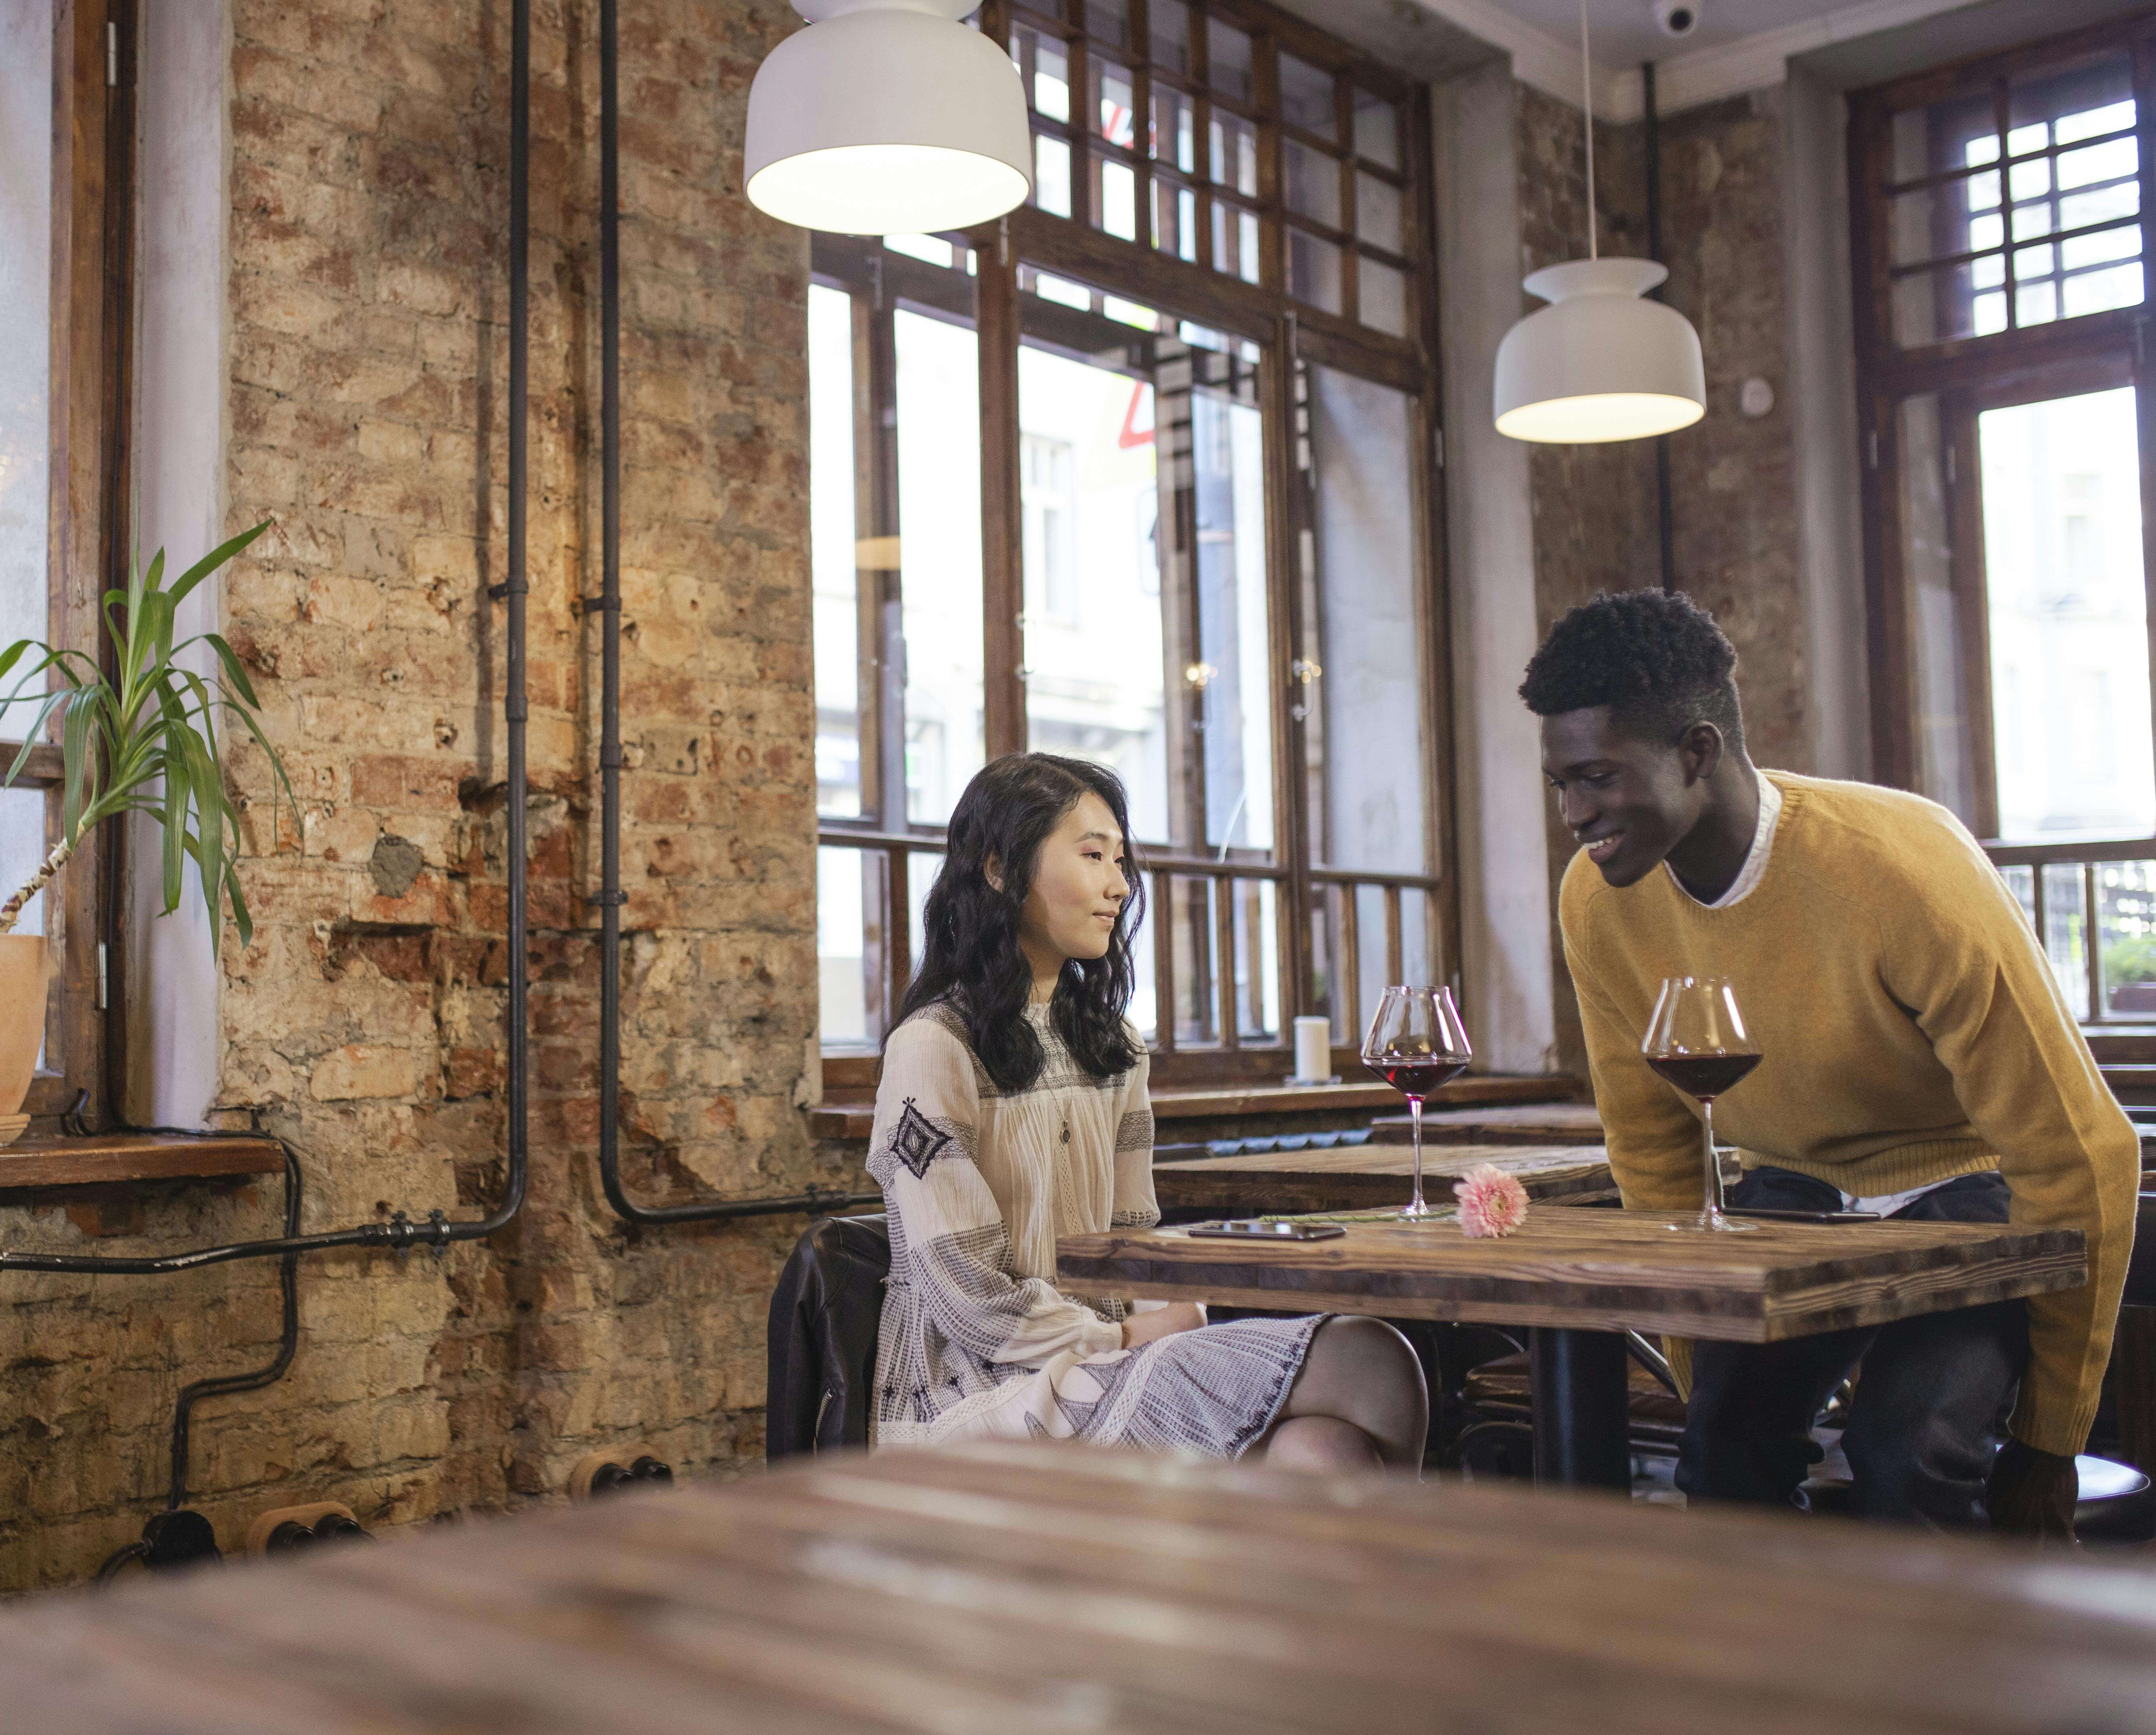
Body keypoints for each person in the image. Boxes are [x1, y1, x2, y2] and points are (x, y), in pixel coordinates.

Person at [1522, 588, 2138, 1539]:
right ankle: (1774, 1682)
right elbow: (1652, 1147)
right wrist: (1709, 1366)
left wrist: (2049, 1444)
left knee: (1909, 1450)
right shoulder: (1598, 902)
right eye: (1560, 784)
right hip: (1793, 1191)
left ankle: (1932, 1689)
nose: (1573, 814)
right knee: (1723, 1455)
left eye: (1596, 777)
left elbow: (2081, 1152)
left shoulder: (1901, 868)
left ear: (1697, 751)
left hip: (1968, 1189)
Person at [866, 752, 1428, 1469]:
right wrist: (1130, 1339)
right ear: (999, 869)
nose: (1119, 887)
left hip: (1102, 1361)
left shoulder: (1114, 1047)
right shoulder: (932, 1048)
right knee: (1369, 1358)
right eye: (1093, 855)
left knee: (1324, 1450)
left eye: (1121, 861)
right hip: (971, 1390)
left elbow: (1131, 1241)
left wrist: (1149, 1323)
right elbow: (971, 1300)